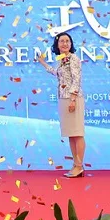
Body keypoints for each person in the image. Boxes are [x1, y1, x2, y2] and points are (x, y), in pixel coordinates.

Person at [37, 32, 86, 178]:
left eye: (67, 41)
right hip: (63, 98)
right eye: (62, 41)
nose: (65, 44)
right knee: (71, 134)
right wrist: (43, 63)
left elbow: (77, 79)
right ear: (57, 45)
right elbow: (57, 74)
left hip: (73, 98)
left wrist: (73, 98)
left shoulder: (73, 58)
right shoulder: (60, 59)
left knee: (77, 133)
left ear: (71, 44)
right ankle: (75, 164)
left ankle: (79, 166)